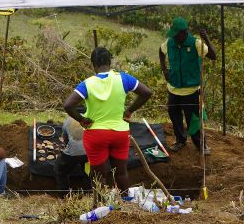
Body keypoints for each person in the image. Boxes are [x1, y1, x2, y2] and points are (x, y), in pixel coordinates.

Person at [63, 47, 152, 197]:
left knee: (99, 177)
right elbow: (147, 93)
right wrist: (129, 110)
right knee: (122, 173)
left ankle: (100, 211)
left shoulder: (87, 84)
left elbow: (68, 105)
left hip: (96, 134)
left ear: (93, 64)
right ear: (110, 62)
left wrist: (82, 119)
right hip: (120, 134)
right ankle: (127, 205)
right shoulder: (123, 78)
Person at [158, 17, 216, 154]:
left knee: (194, 120)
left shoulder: (196, 43)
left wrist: (206, 38)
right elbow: (160, 51)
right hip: (173, 89)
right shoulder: (170, 42)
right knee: (174, 115)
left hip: (191, 91)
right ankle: (180, 140)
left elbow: (213, 56)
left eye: (175, 34)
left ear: (184, 32)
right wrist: (164, 69)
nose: (173, 37)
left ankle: (201, 144)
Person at [55, 115, 90, 193]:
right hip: (90, 152)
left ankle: (64, 195)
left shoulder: (69, 120)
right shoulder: (92, 118)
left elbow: (65, 137)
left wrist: (68, 146)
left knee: (60, 170)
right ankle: (89, 193)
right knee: (89, 172)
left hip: (73, 153)